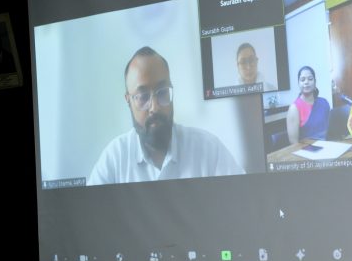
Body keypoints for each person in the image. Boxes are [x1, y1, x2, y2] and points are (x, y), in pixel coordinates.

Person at [88, 46, 244, 185]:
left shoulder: (208, 149)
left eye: (162, 93)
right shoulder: (115, 158)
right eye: (143, 97)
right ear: (128, 100)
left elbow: (243, 197)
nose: (154, 107)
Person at [286, 66, 330, 144]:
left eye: (310, 79)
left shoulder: (324, 103)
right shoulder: (294, 109)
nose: (306, 82)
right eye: (302, 80)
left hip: (328, 146)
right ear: (298, 83)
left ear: (315, 82)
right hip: (306, 149)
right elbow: (293, 142)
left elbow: (330, 130)